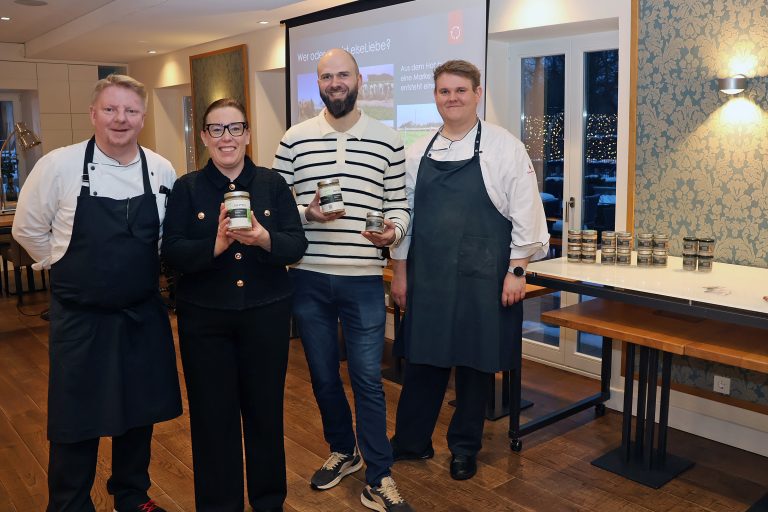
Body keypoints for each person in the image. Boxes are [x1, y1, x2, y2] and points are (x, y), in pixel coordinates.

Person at [12, 74, 182, 512]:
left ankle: (132, 496)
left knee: (138, 414)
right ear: (93, 114)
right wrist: (62, 257)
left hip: (142, 313)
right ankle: (69, 504)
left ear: (142, 117)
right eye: (110, 109)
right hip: (80, 317)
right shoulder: (59, 165)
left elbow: (164, 237)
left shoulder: (160, 168)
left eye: (129, 111)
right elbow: (26, 228)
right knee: (76, 419)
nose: (119, 119)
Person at [388, 60, 550, 481]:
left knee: (475, 365)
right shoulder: (416, 151)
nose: (452, 98)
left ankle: (464, 448)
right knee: (424, 359)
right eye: (444, 91)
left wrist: (517, 269)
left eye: (460, 90)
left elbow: (527, 213)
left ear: (477, 94)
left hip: (484, 275)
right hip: (429, 276)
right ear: (435, 96)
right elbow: (406, 216)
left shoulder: (504, 147)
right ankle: (410, 442)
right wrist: (400, 272)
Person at [273, 48, 413, 512]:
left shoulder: (388, 139)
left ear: (359, 79)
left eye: (343, 74)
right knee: (322, 376)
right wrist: (305, 213)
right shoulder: (294, 138)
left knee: (368, 379)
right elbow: (273, 205)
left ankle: (380, 474)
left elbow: (399, 206)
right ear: (319, 82)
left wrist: (393, 232)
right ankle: (343, 451)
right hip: (308, 278)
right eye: (326, 75)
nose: (335, 82)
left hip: (363, 280)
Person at [161, 98, 307, 511]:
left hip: (266, 315)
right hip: (205, 321)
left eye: (235, 128)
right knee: (212, 420)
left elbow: (296, 244)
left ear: (247, 133)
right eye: (217, 129)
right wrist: (218, 243)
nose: (227, 138)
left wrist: (263, 238)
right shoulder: (187, 188)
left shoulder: (273, 184)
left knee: (265, 414)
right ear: (205, 136)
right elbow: (171, 251)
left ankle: (268, 502)